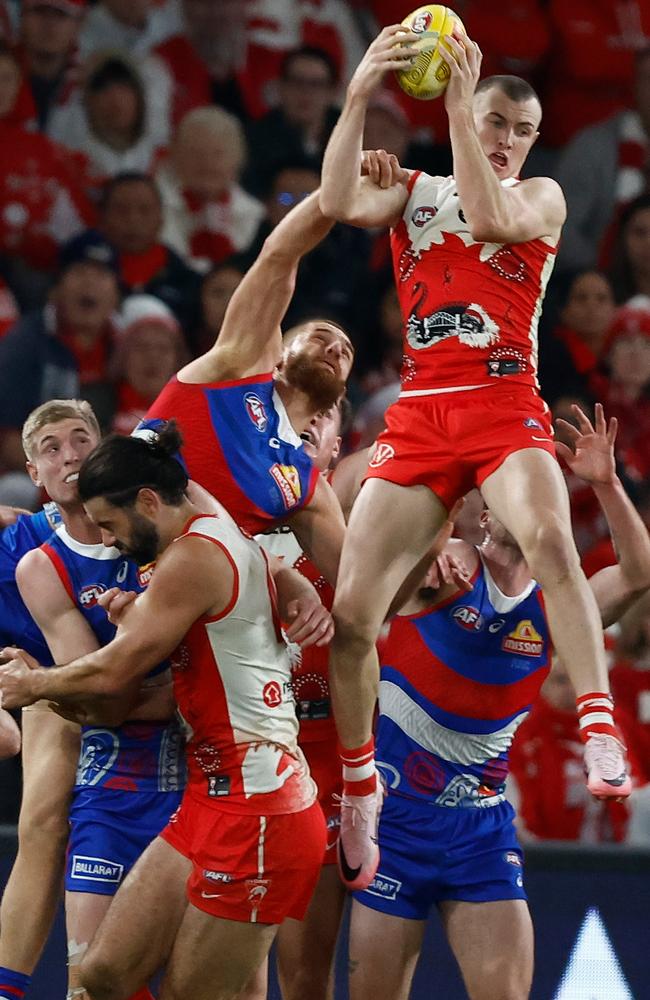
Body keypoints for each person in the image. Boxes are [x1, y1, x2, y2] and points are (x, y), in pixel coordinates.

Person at [319, 24, 632, 888]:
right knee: (352, 618)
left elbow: (492, 216)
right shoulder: (414, 189)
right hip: (423, 407)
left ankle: (601, 724)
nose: (502, 140)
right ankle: (357, 790)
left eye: (518, 130)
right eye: (494, 120)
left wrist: (458, 103)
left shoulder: (542, 196)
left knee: (550, 539)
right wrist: (356, 98)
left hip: (502, 399)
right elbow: (339, 199)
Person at [0, 424, 335, 1000]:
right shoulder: (200, 540)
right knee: (103, 976)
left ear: (149, 502)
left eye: (111, 523)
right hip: (213, 795)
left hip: (259, 808)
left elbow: (113, 675)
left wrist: (34, 684)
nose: (110, 541)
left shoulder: (193, 558)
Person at [347, 404, 650, 1000]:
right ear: (486, 510)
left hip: (480, 827)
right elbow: (379, 544)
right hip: (396, 820)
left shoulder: (559, 605)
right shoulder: (447, 563)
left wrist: (608, 484)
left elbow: (638, 574)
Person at [0, 399, 184, 1000]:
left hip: (173, 702)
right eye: (50, 448)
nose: (70, 455)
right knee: (45, 822)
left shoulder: (157, 519)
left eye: (81, 439)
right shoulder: (28, 547)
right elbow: (86, 687)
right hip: (70, 691)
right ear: (34, 472)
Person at [139, 188, 353, 585]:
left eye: (347, 352)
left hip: (179, 600)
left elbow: (359, 592)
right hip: (99, 552)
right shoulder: (234, 370)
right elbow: (280, 255)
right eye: (321, 335)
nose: (336, 347)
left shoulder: (308, 489)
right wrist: (337, 191)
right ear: (282, 354)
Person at [256, 397, 350, 1000]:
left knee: (326, 973)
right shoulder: (234, 518)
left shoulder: (367, 517)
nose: (312, 418)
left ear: (340, 440)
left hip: (345, 754)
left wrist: (437, 548)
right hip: (261, 749)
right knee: (267, 973)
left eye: (329, 410)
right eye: (301, 406)